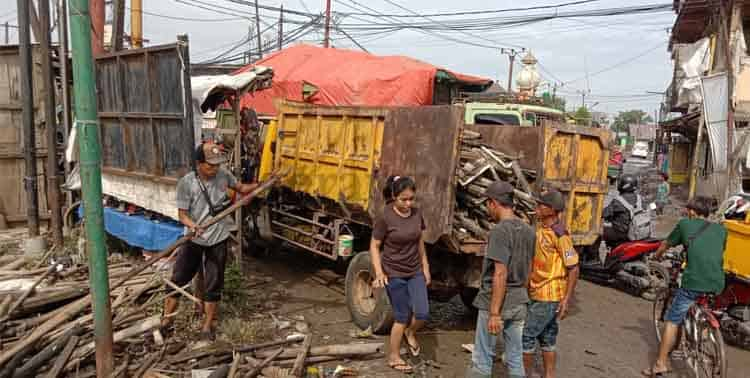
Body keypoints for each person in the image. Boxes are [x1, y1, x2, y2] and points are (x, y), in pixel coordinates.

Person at [161, 142, 258, 340]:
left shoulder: (223, 175)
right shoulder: (186, 184)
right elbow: (182, 215)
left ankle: (207, 326)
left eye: (217, 165)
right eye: (210, 165)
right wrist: (193, 225)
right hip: (194, 238)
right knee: (178, 280)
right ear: (198, 163)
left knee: (214, 284)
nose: (214, 169)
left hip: (218, 238)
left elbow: (240, 188)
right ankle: (167, 321)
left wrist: (260, 185)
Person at [642, 196, 726, 376]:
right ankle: (708, 343)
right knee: (702, 306)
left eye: (688, 210)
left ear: (693, 212)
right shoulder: (721, 230)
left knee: (672, 320)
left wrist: (656, 257)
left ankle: (660, 363)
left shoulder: (685, 225)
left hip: (694, 281)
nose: (687, 213)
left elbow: (665, 244)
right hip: (717, 282)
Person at [467, 181, 536, 378]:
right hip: (519, 302)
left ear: (494, 203)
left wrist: (495, 313)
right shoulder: (529, 231)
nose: (488, 209)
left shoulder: (500, 231)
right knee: (515, 358)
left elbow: (500, 273)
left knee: (482, 357)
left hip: (496, 302)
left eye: (488, 204)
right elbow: (529, 270)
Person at [371, 175, 430, 374]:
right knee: (402, 316)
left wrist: (426, 267)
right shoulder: (385, 216)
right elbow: (375, 245)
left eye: (411, 199)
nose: (408, 203)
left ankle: (410, 332)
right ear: (394, 197)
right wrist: (379, 272)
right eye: (403, 199)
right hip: (394, 272)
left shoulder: (416, 213)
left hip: (414, 271)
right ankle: (393, 356)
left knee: (422, 313)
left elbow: (419, 241)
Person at [523, 189, 580, 378]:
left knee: (527, 336)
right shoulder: (542, 230)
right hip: (538, 292)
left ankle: (526, 374)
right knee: (547, 338)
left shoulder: (560, 235)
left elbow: (573, 267)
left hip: (548, 295)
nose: (537, 208)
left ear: (552, 210)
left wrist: (566, 299)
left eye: (541, 205)